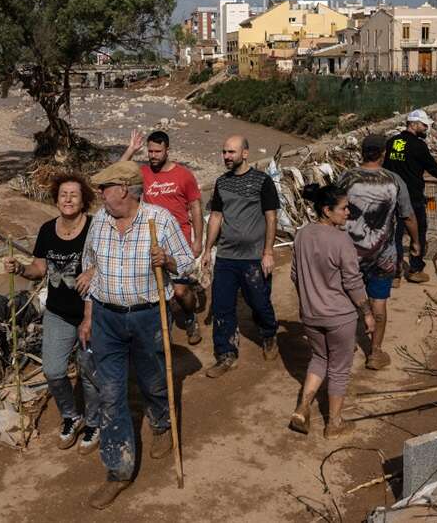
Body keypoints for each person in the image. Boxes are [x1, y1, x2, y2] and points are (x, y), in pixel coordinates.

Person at [82, 161, 194, 509]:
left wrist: (169, 262)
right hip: (106, 318)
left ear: (126, 190)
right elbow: (91, 265)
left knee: (153, 380)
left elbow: (189, 264)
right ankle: (118, 470)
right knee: (112, 394)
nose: (100, 195)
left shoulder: (159, 221)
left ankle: (160, 421)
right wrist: (88, 310)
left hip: (147, 317)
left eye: (105, 188)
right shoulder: (100, 220)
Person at [4, 172, 102, 453]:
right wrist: (20, 269)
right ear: (56, 199)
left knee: (88, 372)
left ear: (84, 200)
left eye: (74, 194)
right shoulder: (47, 230)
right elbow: (39, 269)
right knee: (54, 370)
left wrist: (94, 269)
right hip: (58, 312)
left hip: (90, 312)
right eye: (63, 194)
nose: (68, 199)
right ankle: (72, 415)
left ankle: (95, 422)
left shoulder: (95, 229)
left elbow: (109, 259)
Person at [289, 184, 375, 437]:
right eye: (344, 208)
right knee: (339, 368)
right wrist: (367, 312)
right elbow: (353, 281)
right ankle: (334, 424)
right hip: (339, 316)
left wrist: (309, 298)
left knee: (318, 359)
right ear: (327, 210)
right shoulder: (341, 240)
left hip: (311, 314)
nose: (348, 212)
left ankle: (303, 407)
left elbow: (295, 275)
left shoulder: (302, 235)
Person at [201, 135, 281, 378]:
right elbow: (216, 217)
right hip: (226, 256)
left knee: (260, 303)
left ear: (245, 153)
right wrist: (207, 250)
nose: (226, 156)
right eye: (224, 152)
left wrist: (268, 252)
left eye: (231, 152)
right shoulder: (221, 183)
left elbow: (271, 217)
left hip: (254, 257)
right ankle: (226, 354)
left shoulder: (262, 181)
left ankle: (268, 334)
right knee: (222, 307)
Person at [341, 135, 421, 370]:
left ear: (362, 152)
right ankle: (374, 353)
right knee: (379, 303)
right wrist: (415, 242)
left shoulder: (347, 178)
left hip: (349, 252)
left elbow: (334, 210)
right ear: (384, 153)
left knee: (346, 299)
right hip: (383, 254)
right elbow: (407, 216)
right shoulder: (394, 181)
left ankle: (346, 344)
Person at [121, 129, 204, 345]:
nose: (153, 155)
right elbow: (116, 173)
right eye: (150, 151)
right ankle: (157, 332)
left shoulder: (183, 175)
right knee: (152, 288)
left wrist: (197, 240)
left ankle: (190, 316)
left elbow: (195, 206)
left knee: (180, 290)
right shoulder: (143, 173)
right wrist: (131, 150)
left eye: (158, 151)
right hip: (151, 241)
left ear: (167, 150)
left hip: (179, 239)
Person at [383, 111, 437, 286]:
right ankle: (415, 269)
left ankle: (395, 273)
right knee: (419, 232)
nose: (426, 128)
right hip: (413, 196)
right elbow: (432, 166)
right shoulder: (418, 145)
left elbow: (386, 167)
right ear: (413, 124)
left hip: (392, 196)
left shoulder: (392, 142)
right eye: (423, 125)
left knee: (395, 236)